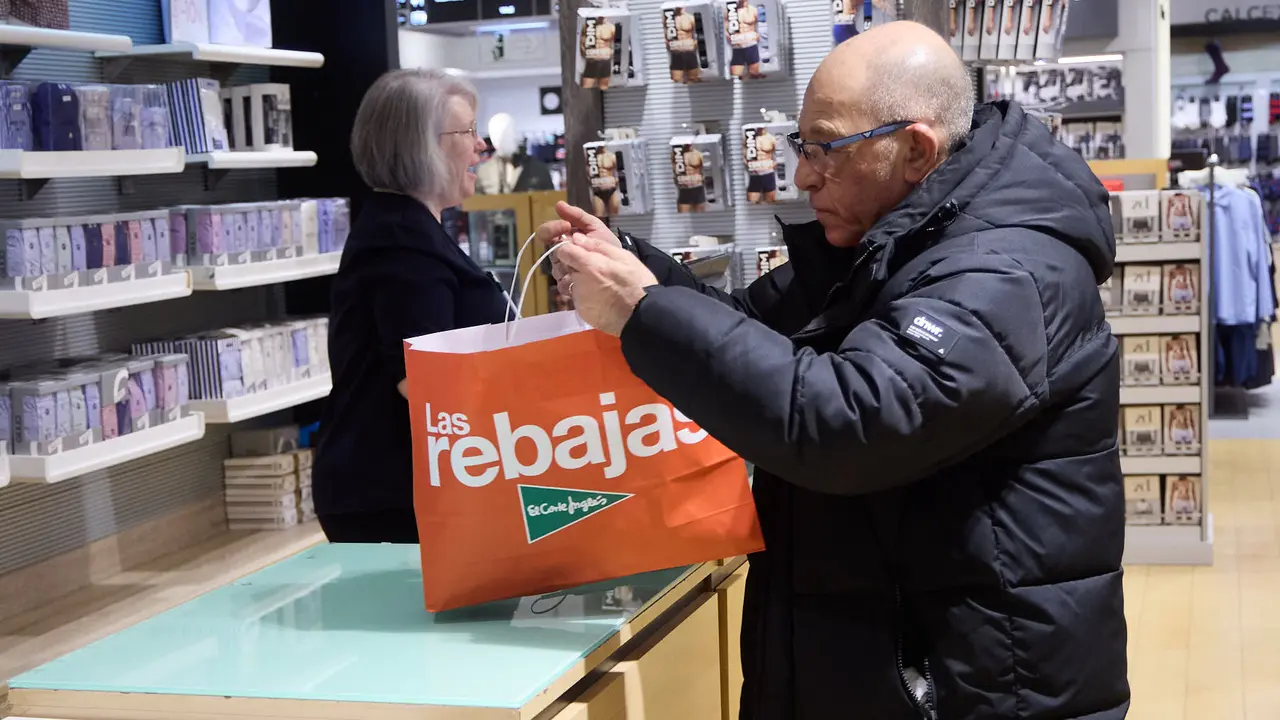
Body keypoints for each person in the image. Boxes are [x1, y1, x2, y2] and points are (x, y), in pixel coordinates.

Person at [539, 21, 1128, 720]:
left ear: (915, 149)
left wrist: (644, 311)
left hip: (970, 689)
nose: (802, 174)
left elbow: (846, 422)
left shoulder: (1006, 272)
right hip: (880, 661)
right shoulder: (891, 240)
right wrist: (637, 271)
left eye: (826, 149)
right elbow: (751, 332)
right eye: (801, 146)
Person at [313, 69, 505, 544]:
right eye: (468, 131)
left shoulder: (409, 229)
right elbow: (422, 381)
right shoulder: (403, 242)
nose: (481, 145)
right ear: (423, 146)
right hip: (396, 490)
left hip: (406, 483)